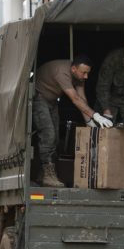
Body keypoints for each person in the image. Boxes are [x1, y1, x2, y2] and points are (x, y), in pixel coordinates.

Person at [33, 56, 113, 187]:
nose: (86, 76)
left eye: (88, 73)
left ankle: (42, 174)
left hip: (51, 101)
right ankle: (48, 175)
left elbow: (82, 98)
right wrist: (96, 115)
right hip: (39, 98)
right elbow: (75, 99)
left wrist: (89, 121)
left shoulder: (78, 76)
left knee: (56, 138)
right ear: (74, 69)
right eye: (84, 73)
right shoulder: (62, 72)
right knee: (48, 135)